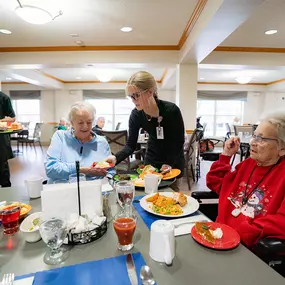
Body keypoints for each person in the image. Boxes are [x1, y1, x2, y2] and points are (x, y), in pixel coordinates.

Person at [206, 111, 285, 247]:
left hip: (248, 249)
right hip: (218, 236)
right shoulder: (248, 164)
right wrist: (226, 156)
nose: (252, 143)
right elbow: (216, 183)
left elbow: (281, 221)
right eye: (254, 136)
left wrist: (244, 231)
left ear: (282, 148)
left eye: (261, 139)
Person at [105, 71, 185, 191]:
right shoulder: (136, 115)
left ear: (150, 92)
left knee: (170, 198)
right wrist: (115, 158)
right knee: (149, 197)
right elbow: (130, 146)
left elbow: (178, 142)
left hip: (173, 165)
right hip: (151, 163)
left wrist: (168, 165)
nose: (133, 100)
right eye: (131, 96)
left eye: (136, 95)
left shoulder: (171, 111)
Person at [45, 102, 115, 184]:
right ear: (72, 123)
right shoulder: (60, 137)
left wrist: (107, 177)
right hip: (62, 190)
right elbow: (51, 169)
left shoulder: (102, 142)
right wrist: (84, 170)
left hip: (92, 190)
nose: (85, 126)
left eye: (89, 122)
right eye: (80, 123)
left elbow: (110, 171)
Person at [0, 91, 16, 187]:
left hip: (1, 138)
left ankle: (6, 192)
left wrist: (1, 120)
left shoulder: (3, 98)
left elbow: (12, 118)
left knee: (2, 166)